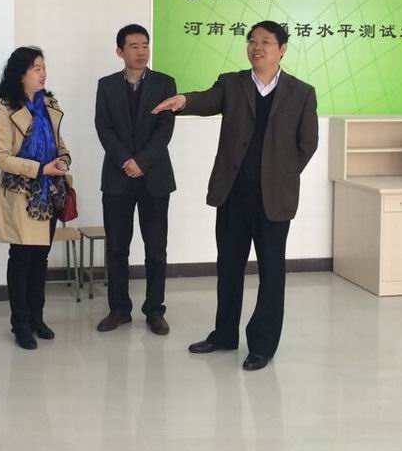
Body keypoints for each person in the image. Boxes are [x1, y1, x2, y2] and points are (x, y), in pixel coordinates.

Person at [152, 21, 318, 371]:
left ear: (282, 49)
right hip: (233, 194)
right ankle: (224, 334)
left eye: (266, 42)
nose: (257, 47)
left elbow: (308, 144)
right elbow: (206, 99)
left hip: (274, 199)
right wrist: (184, 101)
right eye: (252, 41)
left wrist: (281, 175)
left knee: (272, 273)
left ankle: (262, 344)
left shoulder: (301, 92)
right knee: (229, 268)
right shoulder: (232, 83)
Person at [0, 47, 72, 350]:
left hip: (49, 193)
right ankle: (20, 323)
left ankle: (37, 318)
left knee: (40, 259)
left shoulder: (50, 104)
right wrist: (39, 169)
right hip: (22, 193)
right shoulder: (4, 108)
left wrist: (64, 159)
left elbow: (60, 144)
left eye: (44, 67)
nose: (43, 73)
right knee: (21, 259)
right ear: (20, 74)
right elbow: (1, 158)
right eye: (36, 68)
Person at [94, 24, 176, 335]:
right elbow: (103, 127)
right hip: (118, 178)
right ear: (120, 51)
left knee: (156, 249)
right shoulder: (106, 85)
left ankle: (155, 310)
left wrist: (141, 161)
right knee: (117, 248)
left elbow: (165, 129)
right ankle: (119, 309)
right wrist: (125, 161)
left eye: (145, 45)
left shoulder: (165, 83)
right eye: (133, 46)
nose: (141, 52)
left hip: (155, 177)